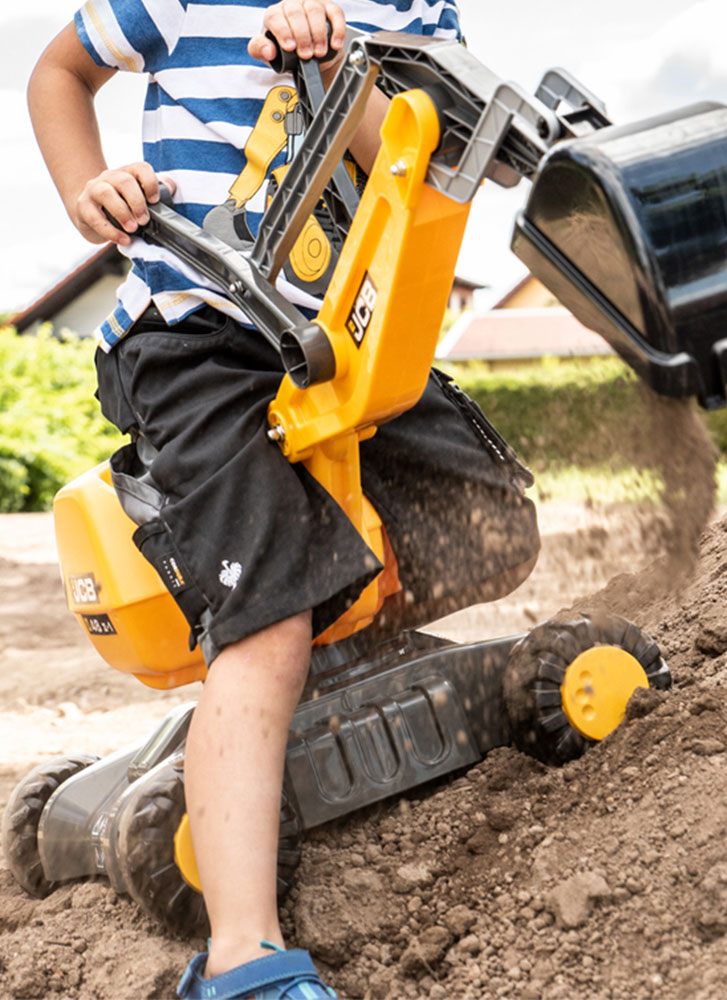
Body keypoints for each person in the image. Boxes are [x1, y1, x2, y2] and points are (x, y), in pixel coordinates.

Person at [27, 1, 539, 997]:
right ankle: (242, 961)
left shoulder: (412, 11)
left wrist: (345, 60)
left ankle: (324, 656)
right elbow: (59, 72)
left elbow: (445, 158)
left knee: (490, 526)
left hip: (348, 331)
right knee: (266, 625)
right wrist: (89, 184)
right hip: (199, 340)